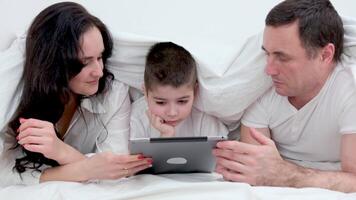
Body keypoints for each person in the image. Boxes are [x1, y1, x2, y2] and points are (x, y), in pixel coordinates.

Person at [0, 2, 152, 186]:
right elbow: (4, 173)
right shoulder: (20, 100)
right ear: (55, 63)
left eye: (100, 58)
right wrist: (85, 168)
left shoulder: (114, 93)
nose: (99, 71)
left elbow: (115, 171)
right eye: (85, 62)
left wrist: (62, 152)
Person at [213, 0, 356, 193]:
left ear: (325, 55)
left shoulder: (349, 88)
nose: (269, 69)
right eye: (268, 54)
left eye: (283, 57)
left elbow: (354, 179)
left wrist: (285, 174)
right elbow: (254, 171)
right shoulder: (259, 86)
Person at [130, 42, 228, 138]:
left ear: (195, 91)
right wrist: (166, 136)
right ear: (146, 94)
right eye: (160, 102)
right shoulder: (136, 119)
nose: (172, 113)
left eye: (182, 101)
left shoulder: (205, 118)